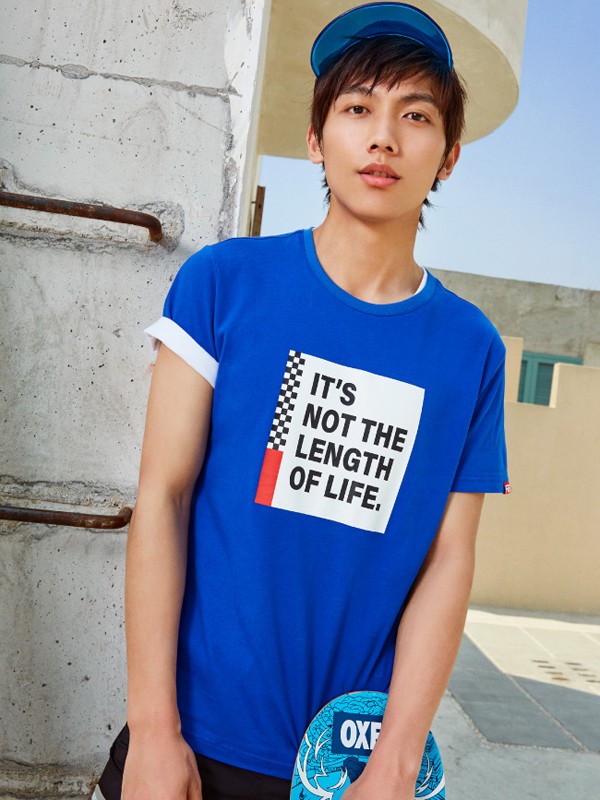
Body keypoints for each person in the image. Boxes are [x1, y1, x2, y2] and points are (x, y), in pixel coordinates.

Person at [93, 3, 509, 799]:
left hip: (349, 765)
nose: (383, 138)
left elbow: (449, 558)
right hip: (192, 740)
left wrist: (395, 762)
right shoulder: (223, 284)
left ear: (449, 156)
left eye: (415, 115)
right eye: (357, 109)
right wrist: (152, 730)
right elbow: (164, 497)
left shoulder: (471, 348)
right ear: (317, 139)